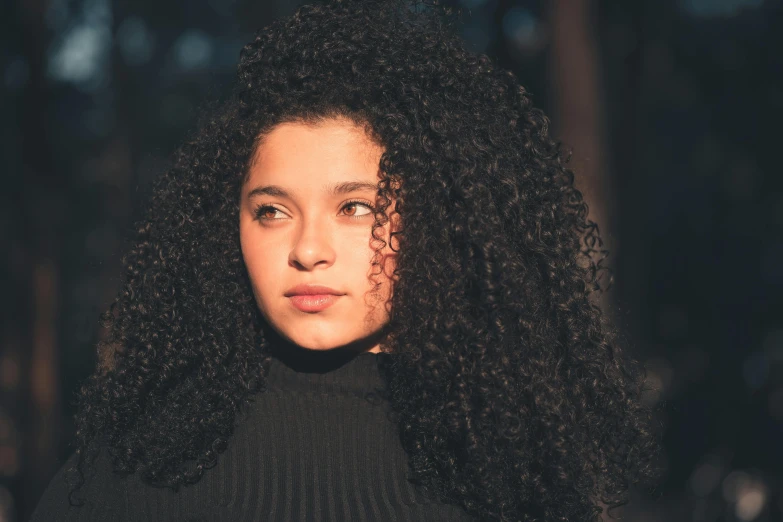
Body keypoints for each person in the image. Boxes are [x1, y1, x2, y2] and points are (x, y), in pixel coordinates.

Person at [29, 0, 663, 520]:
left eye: (357, 208)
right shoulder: (129, 466)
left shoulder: (517, 477)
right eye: (271, 211)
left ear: (438, 224)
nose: (307, 250)